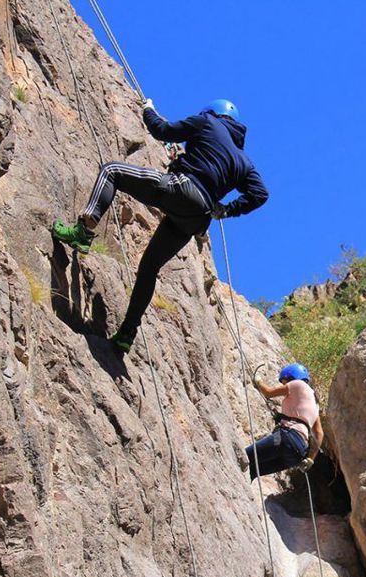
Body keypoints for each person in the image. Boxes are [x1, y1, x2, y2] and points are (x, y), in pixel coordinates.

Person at [51, 98, 268, 353]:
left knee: (112, 171)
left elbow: (162, 131)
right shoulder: (243, 162)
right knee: (149, 267)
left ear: (213, 112)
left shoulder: (207, 122)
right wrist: (227, 209)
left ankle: (83, 231)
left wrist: (148, 110)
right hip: (197, 218)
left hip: (183, 188)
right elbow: (260, 194)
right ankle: (127, 333)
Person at [246, 363, 324, 481]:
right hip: (298, 453)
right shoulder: (315, 403)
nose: (284, 385)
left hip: (286, 438)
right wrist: (311, 459)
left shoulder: (298, 384)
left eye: (285, 382)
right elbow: (319, 433)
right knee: (252, 471)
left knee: (245, 456)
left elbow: (268, 392)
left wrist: (259, 382)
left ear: (292, 377)